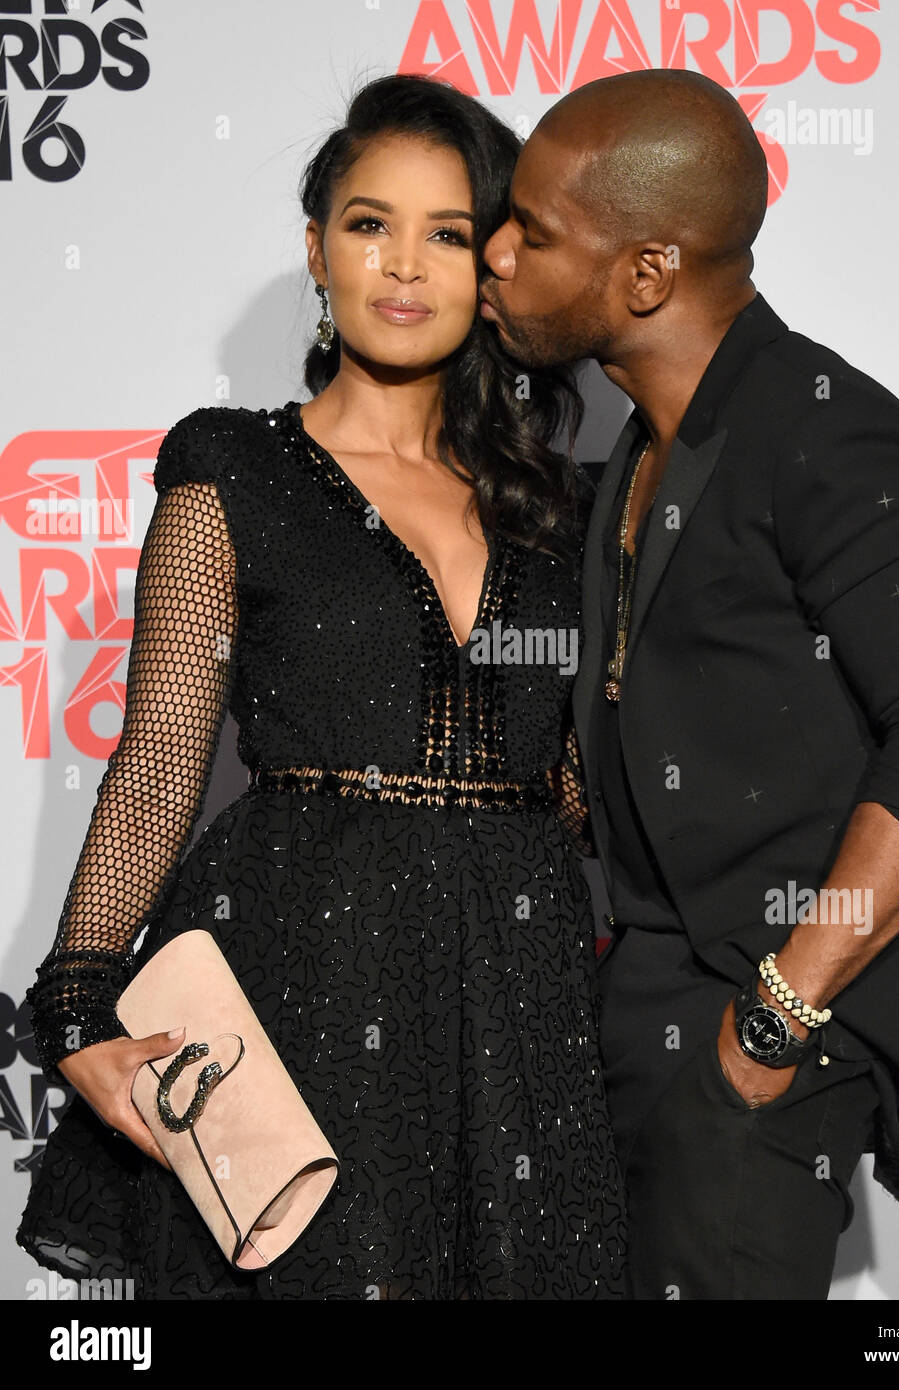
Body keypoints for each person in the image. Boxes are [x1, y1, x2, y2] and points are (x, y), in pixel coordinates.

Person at [16, 73, 628, 1301]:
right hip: (298, 969)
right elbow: (159, 754)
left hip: (516, 993)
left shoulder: (567, 508)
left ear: (494, 263)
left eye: (447, 234)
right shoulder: (232, 466)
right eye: (368, 224)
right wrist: (78, 997)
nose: (403, 267)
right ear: (316, 248)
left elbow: (577, 788)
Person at [478, 68, 899, 1300]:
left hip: (762, 1023)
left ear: (646, 274)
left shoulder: (828, 432)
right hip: (640, 1000)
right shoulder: (644, 443)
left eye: (535, 233)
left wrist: (774, 1019)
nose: (494, 256)